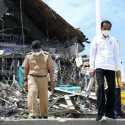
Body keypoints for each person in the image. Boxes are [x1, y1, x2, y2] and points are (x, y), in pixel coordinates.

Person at [89, 20, 121, 121]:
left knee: (111, 89)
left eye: (108, 28)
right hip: (99, 67)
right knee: (101, 87)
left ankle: (109, 112)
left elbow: (116, 55)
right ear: (101, 28)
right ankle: (100, 113)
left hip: (111, 67)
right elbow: (92, 54)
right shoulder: (96, 39)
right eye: (104, 28)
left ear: (110, 29)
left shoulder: (113, 40)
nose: (106, 30)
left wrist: (118, 69)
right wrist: (91, 67)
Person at [22, 40, 55, 119]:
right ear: (32, 49)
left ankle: (44, 114)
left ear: (40, 48)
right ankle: (32, 113)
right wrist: (25, 80)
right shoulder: (28, 56)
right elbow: (26, 69)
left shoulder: (47, 55)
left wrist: (52, 81)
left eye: (37, 49)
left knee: (44, 96)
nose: (36, 51)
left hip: (43, 78)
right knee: (32, 94)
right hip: (32, 77)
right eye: (34, 50)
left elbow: (51, 69)